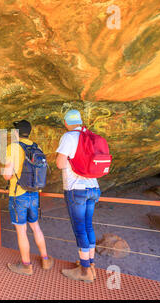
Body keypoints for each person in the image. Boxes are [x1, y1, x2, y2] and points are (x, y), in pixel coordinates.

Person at [3, 120, 53, 275]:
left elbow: (7, 175)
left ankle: (26, 265)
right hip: (34, 193)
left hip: (18, 193)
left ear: (16, 133)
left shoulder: (13, 147)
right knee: (35, 226)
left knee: (22, 230)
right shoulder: (36, 146)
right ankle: (45, 260)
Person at [56, 109, 101, 283]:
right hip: (93, 187)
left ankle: (84, 270)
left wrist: (68, 160)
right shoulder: (89, 135)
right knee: (88, 226)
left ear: (66, 123)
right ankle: (90, 264)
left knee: (80, 229)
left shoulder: (69, 137)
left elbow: (60, 163)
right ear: (80, 121)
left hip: (77, 189)